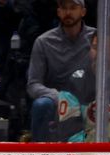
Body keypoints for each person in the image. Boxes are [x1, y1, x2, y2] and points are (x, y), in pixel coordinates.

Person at [27, 0, 94, 142]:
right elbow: (33, 84)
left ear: (83, 11)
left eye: (73, 8)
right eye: (64, 8)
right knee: (41, 104)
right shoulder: (43, 41)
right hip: (56, 100)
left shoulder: (97, 39)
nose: (68, 12)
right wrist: (59, 97)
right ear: (58, 12)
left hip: (89, 97)